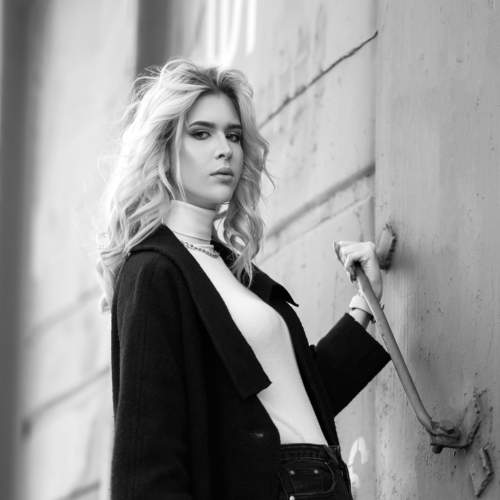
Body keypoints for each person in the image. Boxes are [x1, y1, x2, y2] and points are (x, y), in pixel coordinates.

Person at [97, 58, 391, 500]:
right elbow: (146, 462)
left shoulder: (229, 268)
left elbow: (303, 401)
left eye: (233, 135)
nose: (225, 150)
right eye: (201, 133)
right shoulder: (155, 272)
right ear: (163, 147)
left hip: (319, 484)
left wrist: (363, 306)